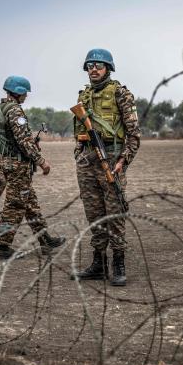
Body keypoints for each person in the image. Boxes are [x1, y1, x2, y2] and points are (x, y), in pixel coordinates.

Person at [72, 48, 141, 286]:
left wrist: (124, 160)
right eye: (90, 65)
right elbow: (78, 130)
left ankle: (118, 261)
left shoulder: (121, 94)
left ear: (108, 69)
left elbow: (134, 134)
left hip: (111, 159)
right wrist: (79, 154)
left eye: (98, 65)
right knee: (94, 214)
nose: (93, 69)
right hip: (87, 160)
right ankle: (98, 263)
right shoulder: (84, 95)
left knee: (115, 212)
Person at [0, 75, 65, 259]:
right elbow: (24, 142)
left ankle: (45, 239)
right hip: (17, 165)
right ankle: (2, 247)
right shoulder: (15, 111)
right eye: (25, 93)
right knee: (15, 205)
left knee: (29, 202)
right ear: (19, 92)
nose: (26, 97)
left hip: (6, 161)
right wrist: (41, 161)